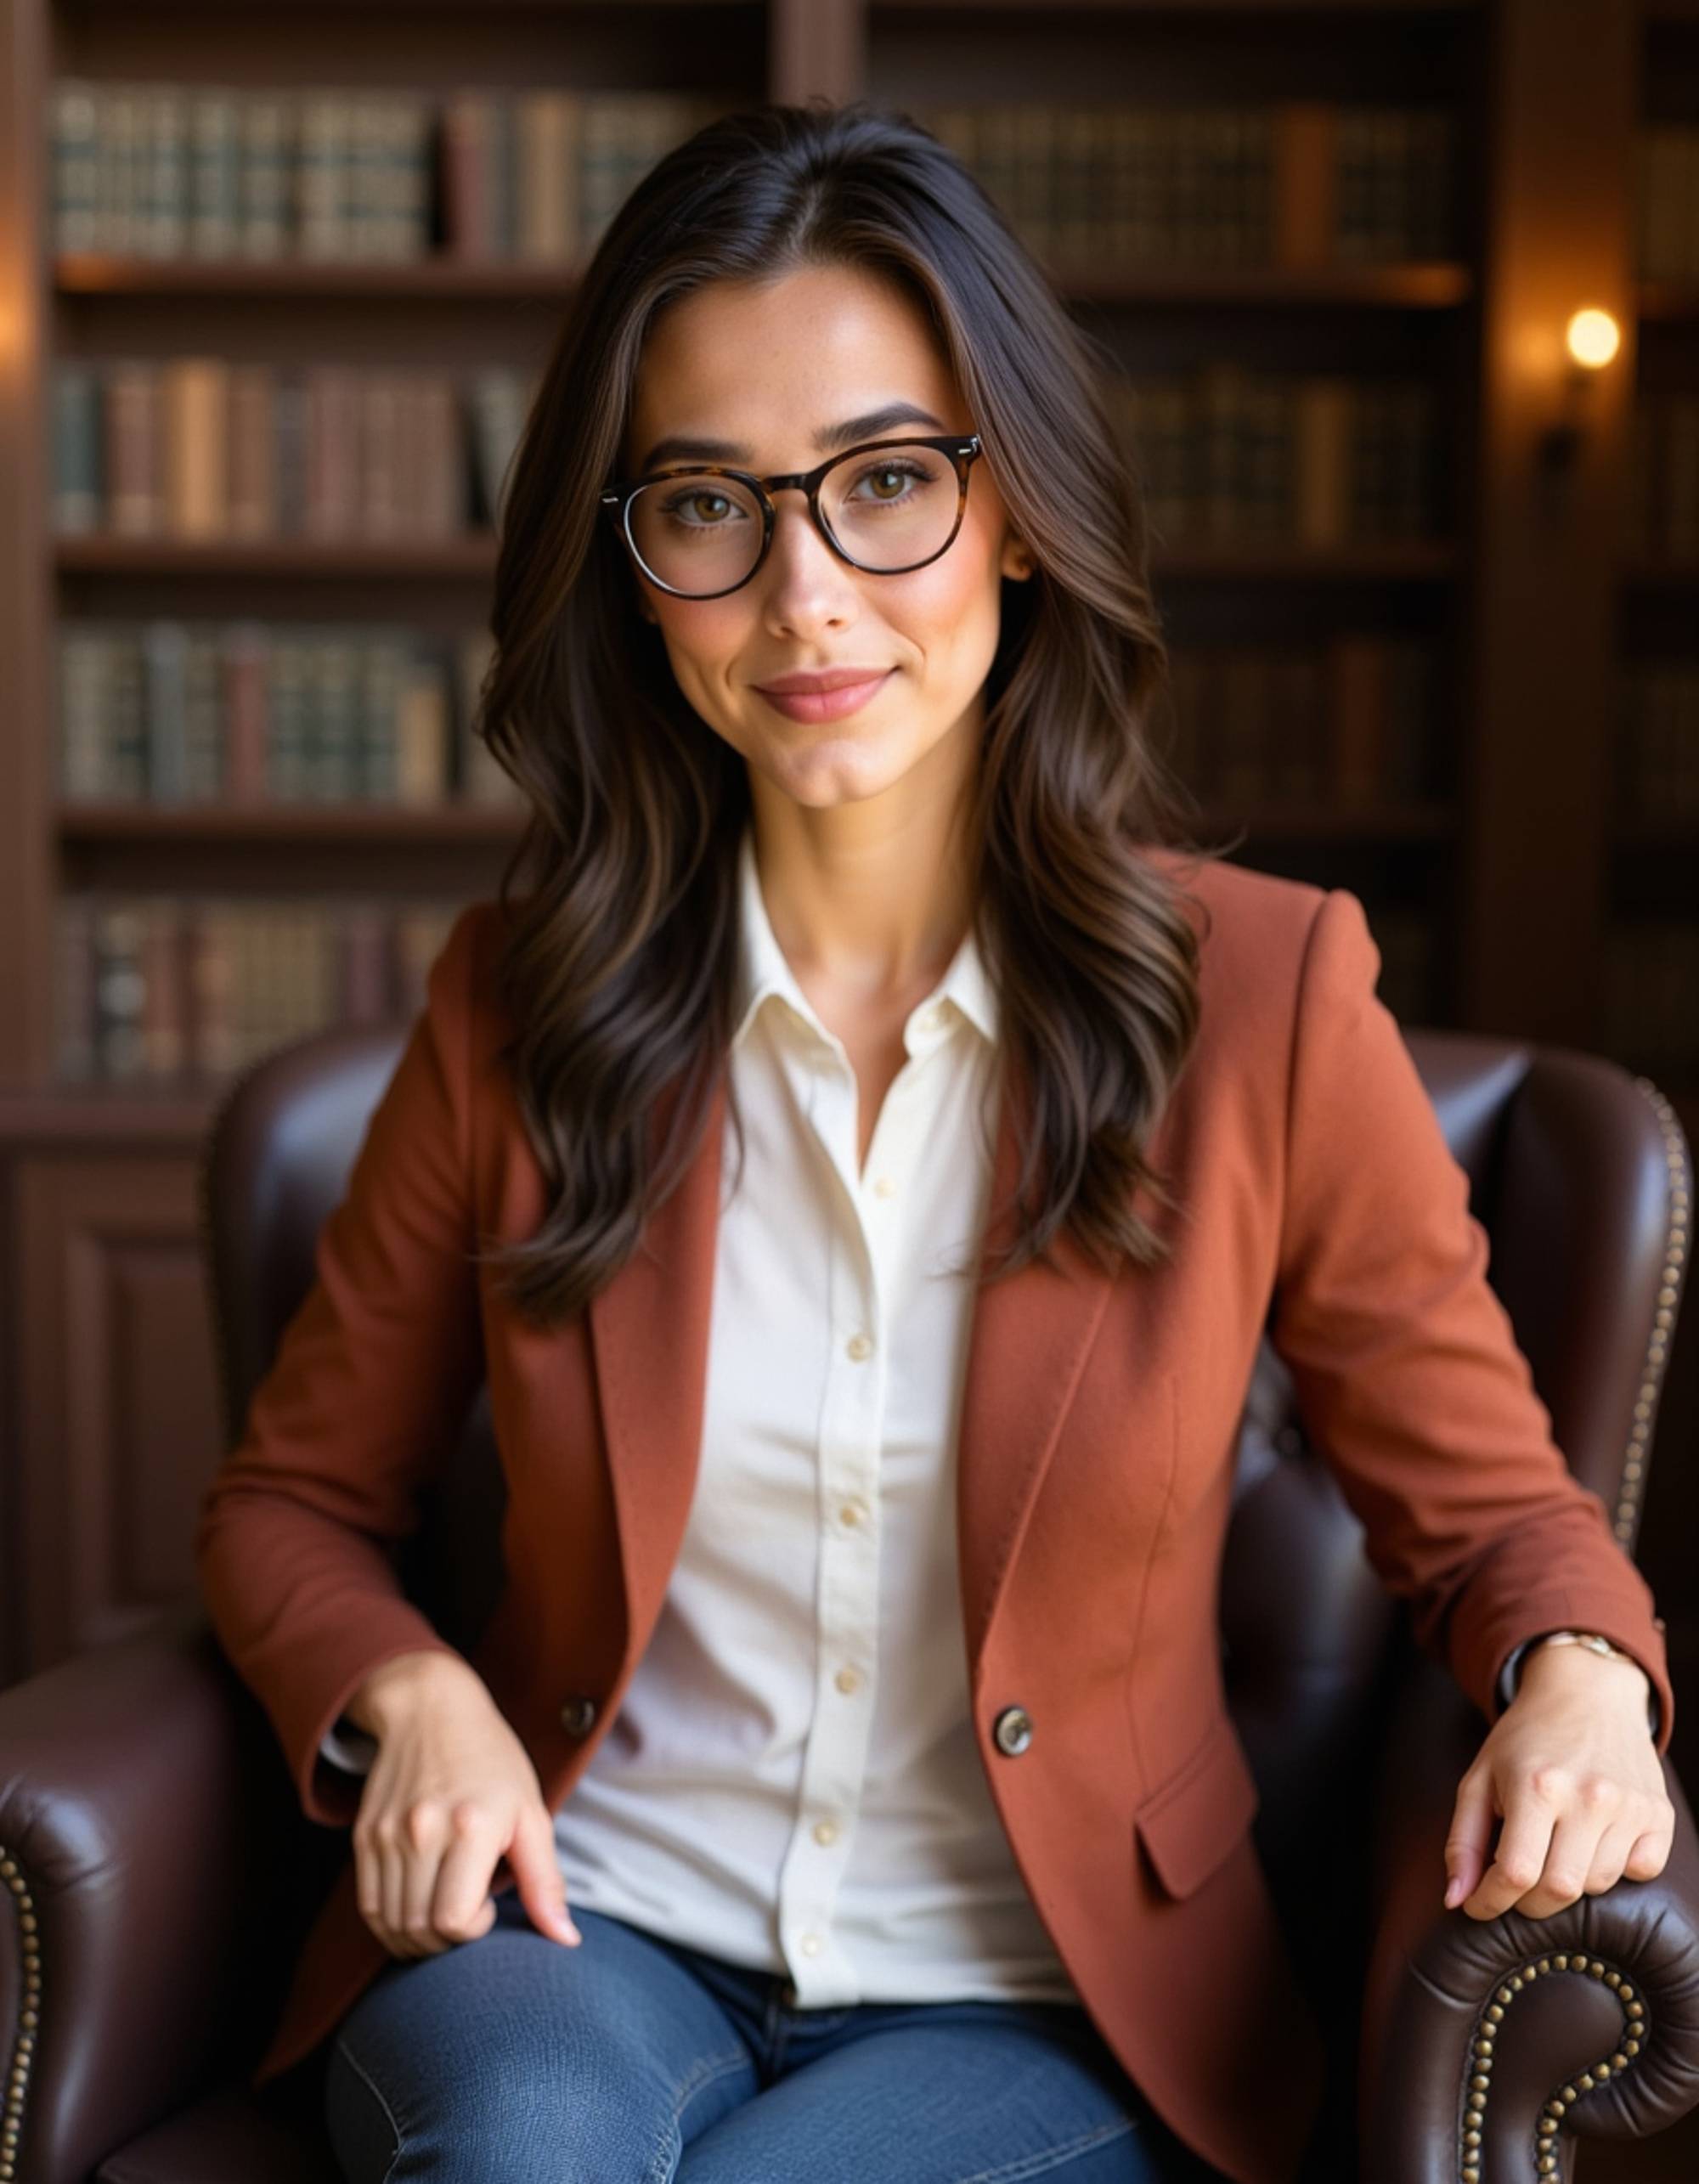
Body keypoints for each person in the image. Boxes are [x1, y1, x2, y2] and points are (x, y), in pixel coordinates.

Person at [192, 98, 1676, 2184]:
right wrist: (407, 1687)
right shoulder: (514, 1003)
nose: (806, 594)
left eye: (885, 481)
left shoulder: (1264, 999)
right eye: (709, 503)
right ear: (631, 568)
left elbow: (1492, 1516)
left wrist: (1588, 1680)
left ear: (1017, 512)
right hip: (579, 1920)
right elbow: (287, 1504)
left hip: (1039, 1992)